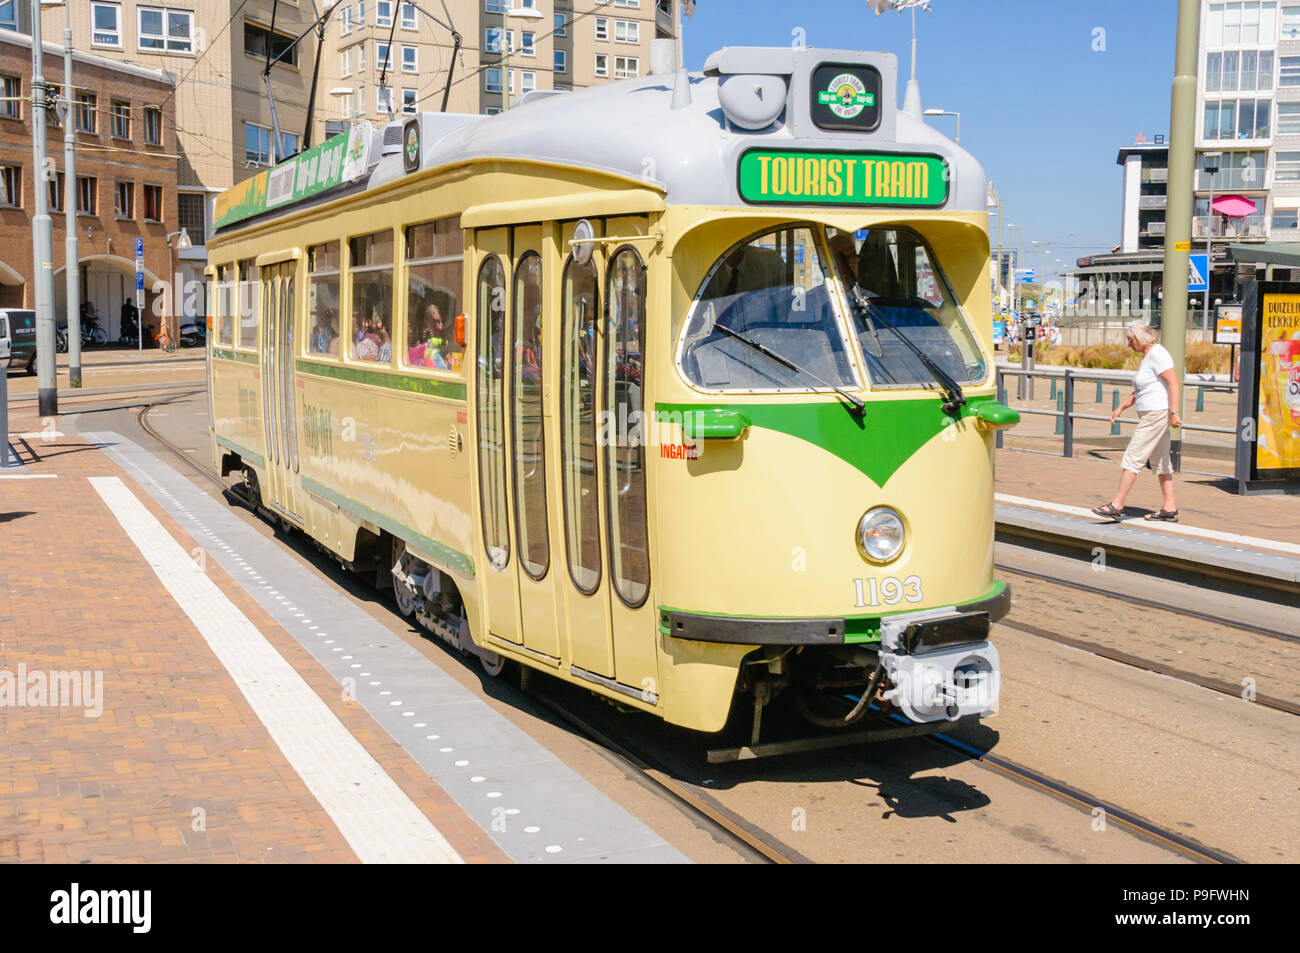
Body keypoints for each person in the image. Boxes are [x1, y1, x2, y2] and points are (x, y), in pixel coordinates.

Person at [1092, 322, 1181, 522]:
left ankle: (1116, 505)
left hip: (1156, 414)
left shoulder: (1158, 354)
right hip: (1153, 413)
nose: (1129, 345)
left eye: (1131, 341)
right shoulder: (1148, 357)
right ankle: (1169, 507)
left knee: (1133, 456)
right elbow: (1142, 390)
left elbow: (1174, 382)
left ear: (1141, 339)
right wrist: (1121, 407)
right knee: (1161, 461)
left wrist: (1174, 413)